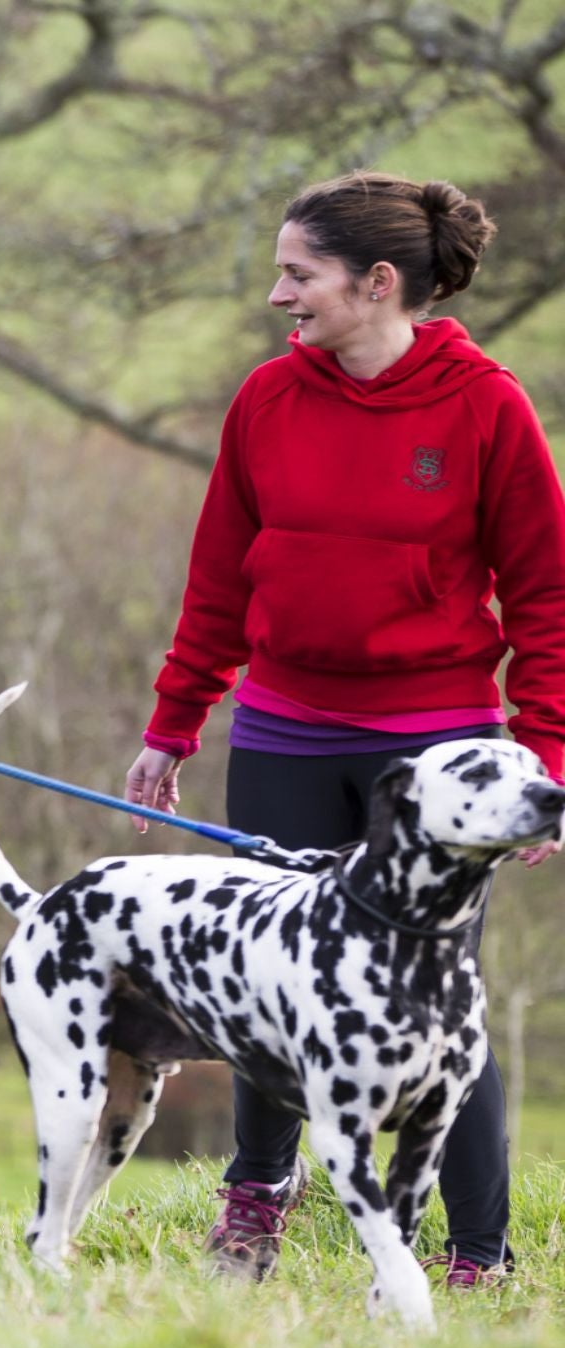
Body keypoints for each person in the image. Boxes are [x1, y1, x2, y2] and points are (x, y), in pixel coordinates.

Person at [124, 172, 565, 1289]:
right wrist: (177, 721)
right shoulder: (268, 400)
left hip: (434, 752)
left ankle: (476, 1254)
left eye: (298, 274)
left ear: (377, 284)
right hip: (283, 732)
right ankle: (257, 1202)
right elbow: (218, 575)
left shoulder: (485, 406)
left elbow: (551, 599)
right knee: (270, 975)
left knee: (439, 1000)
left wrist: (547, 760)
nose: (279, 296)